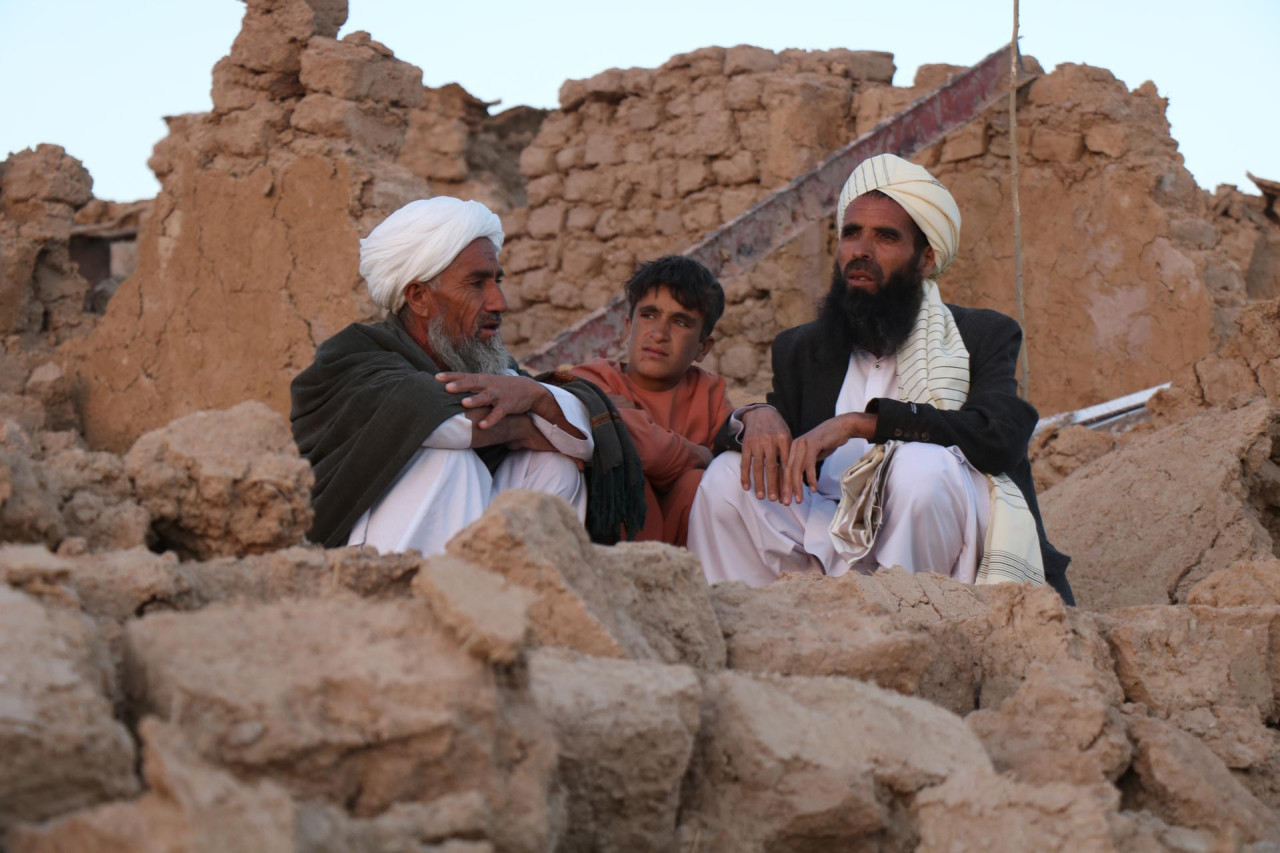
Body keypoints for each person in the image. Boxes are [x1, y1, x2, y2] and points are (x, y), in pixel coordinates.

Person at [688, 153, 1072, 603]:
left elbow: (1001, 436)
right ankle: (741, 627)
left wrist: (860, 423)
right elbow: (758, 439)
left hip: (942, 548)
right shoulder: (802, 348)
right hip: (825, 533)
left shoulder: (981, 334)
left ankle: (905, 626)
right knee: (728, 477)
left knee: (920, 468)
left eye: (885, 236)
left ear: (925, 259)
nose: (861, 252)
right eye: (851, 233)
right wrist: (757, 415)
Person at [290, 196, 600, 556]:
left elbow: (582, 438)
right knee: (448, 458)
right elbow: (437, 420)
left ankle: (516, 604)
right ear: (419, 297)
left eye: (497, 281)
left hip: (477, 563)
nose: (500, 302)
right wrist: (523, 428)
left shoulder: (482, 364)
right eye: (476, 284)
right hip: (353, 558)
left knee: (553, 466)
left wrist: (537, 396)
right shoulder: (355, 355)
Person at [571, 256, 735, 546]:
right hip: (607, 550)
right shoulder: (595, 380)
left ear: (702, 348)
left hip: (684, 558)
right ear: (627, 328)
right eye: (648, 315)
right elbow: (647, 450)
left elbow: (732, 470)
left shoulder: (709, 394)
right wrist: (702, 455)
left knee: (698, 484)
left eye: (680, 322)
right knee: (625, 474)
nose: (659, 334)